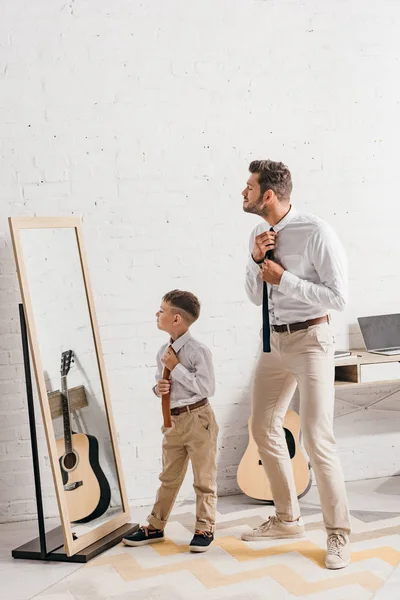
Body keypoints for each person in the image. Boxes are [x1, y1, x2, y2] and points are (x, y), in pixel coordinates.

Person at [240, 159, 351, 570]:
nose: (243, 192)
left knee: (318, 438)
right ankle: (288, 519)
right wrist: (256, 261)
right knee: (262, 425)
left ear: (268, 194)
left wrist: (283, 279)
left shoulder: (316, 231)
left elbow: (338, 298)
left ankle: (338, 535)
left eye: (249, 187)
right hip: (274, 342)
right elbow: (255, 296)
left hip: (311, 340)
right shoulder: (258, 233)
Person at [122, 289, 219, 553]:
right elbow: (161, 383)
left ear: (177, 319)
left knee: (204, 478)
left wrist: (176, 367)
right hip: (173, 421)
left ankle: (204, 528)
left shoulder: (198, 351)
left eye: (162, 310)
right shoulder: (163, 351)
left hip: (198, 419)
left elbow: (206, 387)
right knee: (168, 477)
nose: (157, 313)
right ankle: (155, 526)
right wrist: (159, 389)